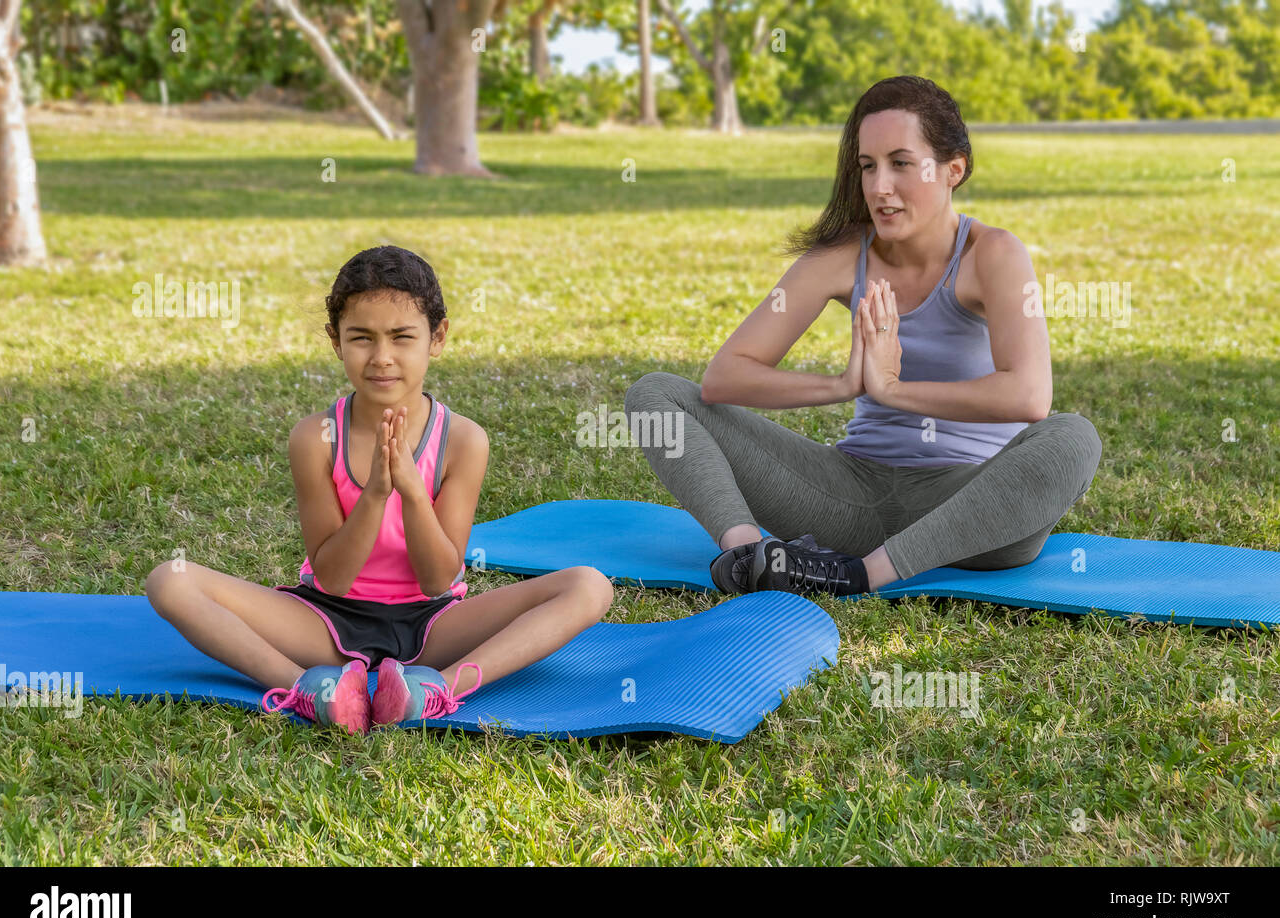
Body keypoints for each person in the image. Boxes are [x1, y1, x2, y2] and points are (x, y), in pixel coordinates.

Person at [624, 75, 1101, 597]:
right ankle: (748, 558)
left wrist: (893, 390)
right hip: (848, 499)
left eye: (901, 163)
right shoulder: (842, 256)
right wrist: (845, 384)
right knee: (655, 397)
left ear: (953, 169)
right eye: (868, 166)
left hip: (970, 513)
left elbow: (1030, 396)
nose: (878, 187)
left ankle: (860, 576)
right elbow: (723, 379)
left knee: (1074, 436)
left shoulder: (993, 254)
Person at [145, 245, 613, 735]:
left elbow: (437, 580)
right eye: (362, 338)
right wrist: (373, 495)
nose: (382, 358)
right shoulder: (315, 437)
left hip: (432, 625)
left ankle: (436, 690)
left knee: (589, 585)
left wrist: (412, 492)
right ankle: (308, 689)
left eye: (402, 337)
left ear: (437, 338)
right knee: (170, 580)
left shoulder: (463, 440)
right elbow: (334, 577)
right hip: (326, 621)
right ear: (336, 341)